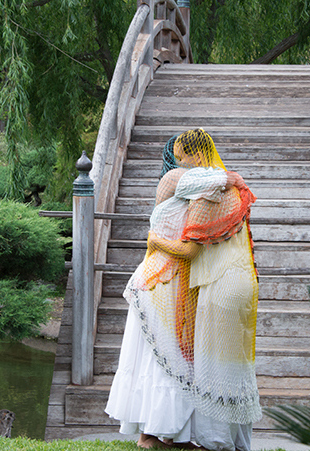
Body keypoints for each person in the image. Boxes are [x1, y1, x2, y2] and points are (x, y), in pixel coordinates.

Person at [105, 129, 261, 451]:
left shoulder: (198, 193)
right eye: (175, 156)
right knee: (160, 357)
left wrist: (229, 180)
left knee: (176, 359)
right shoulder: (176, 179)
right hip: (159, 279)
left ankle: (167, 434)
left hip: (177, 280)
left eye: (183, 154)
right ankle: (150, 434)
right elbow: (209, 185)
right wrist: (231, 178)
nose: (179, 161)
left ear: (193, 154)